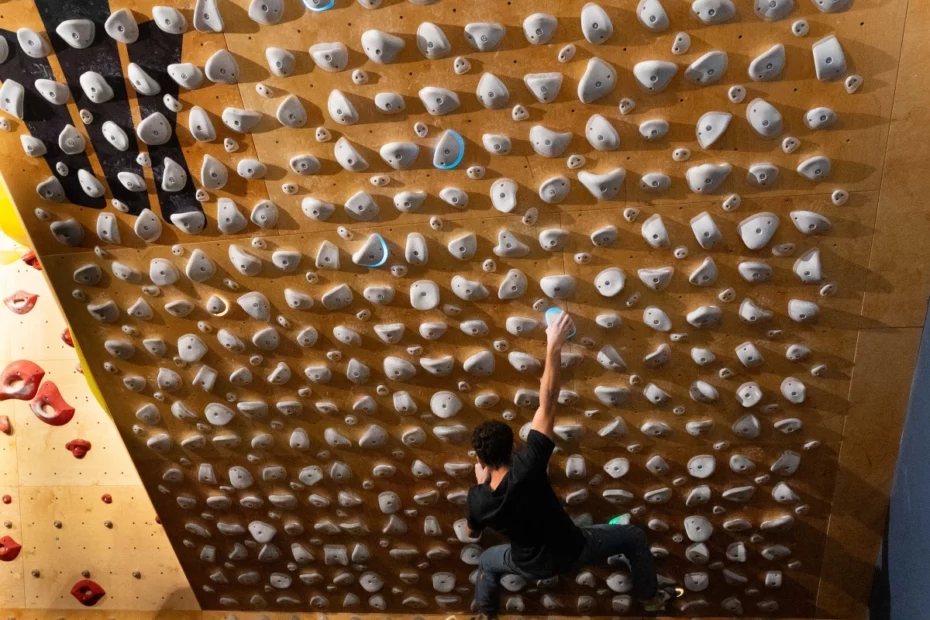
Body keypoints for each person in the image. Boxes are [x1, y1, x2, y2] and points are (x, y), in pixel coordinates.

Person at [465, 311, 669, 618]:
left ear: (480, 460)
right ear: (512, 448)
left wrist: (482, 485)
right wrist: (553, 345)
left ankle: (485, 614)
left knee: (486, 563)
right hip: (573, 551)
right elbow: (547, 400)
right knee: (634, 538)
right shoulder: (529, 465)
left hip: (525, 563)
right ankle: (650, 599)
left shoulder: (478, 500)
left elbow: (472, 534)